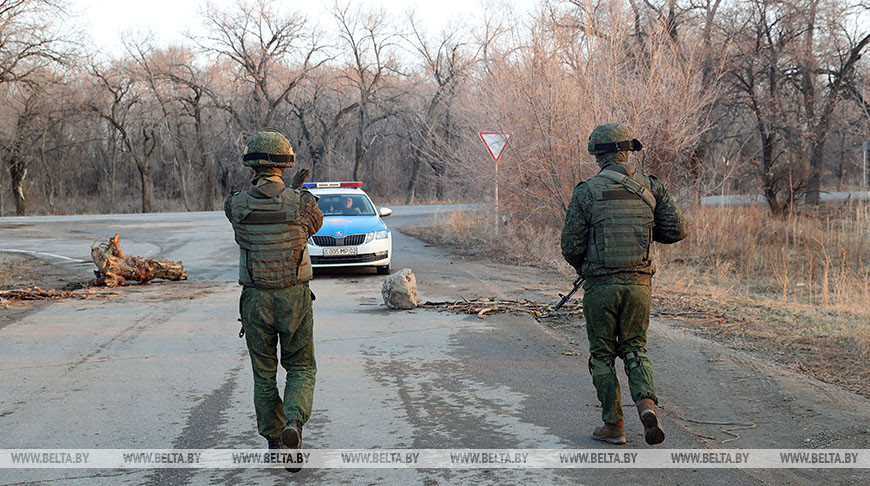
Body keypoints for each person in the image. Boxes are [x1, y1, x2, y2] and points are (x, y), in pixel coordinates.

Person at [561, 122, 688, 445]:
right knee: (635, 349)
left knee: (602, 355)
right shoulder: (652, 187)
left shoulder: (586, 192)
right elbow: (677, 230)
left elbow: (571, 246)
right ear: (627, 151)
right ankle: (647, 406)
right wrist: (642, 233)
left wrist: (588, 267)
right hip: (640, 284)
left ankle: (614, 426)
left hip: (601, 286)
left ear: (598, 155)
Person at [224, 129, 323, 472]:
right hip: (294, 295)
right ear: (285, 163)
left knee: (263, 374)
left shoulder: (235, 203)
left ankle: (274, 441)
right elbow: (313, 226)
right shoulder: (302, 202)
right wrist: (296, 195)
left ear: (251, 164)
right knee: (300, 366)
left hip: (255, 299)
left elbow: (239, 226)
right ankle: (294, 424)